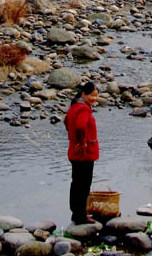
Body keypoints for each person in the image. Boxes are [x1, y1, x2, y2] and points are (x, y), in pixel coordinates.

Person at [64, 81, 99, 224]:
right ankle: (80, 215)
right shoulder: (83, 109)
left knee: (76, 183)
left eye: (96, 96)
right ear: (84, 94)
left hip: (74, 151)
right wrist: (82, 141)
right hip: (84, 154)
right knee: (84, 185)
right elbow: (80, 126)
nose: (95, 98)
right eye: (92, 95)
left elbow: (66, 122)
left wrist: (73, 139)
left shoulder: (74, 106)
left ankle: (76, 213)